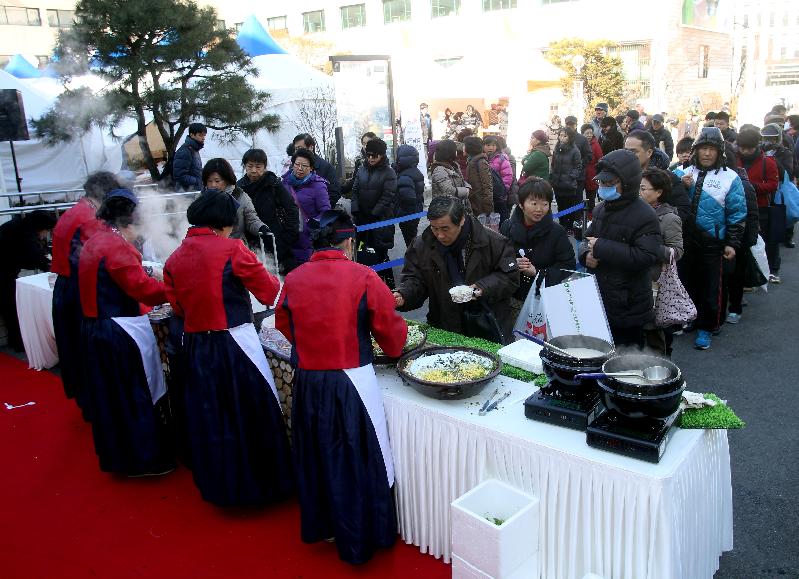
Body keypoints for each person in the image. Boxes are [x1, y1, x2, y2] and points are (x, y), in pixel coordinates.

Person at [275, 210, 407, 565]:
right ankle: (363, 534)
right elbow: (390, 330)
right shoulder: (363, 275)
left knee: (319, 452)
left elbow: (284, 322)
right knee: (359, 456)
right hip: (353, 380)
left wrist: (310, 347)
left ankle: (326, 523)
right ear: (349, 243)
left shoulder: (294, 277)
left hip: (308, 378)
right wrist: (395, 348)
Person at [163, 190, 292, 506]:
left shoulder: (174, 258)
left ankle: (222, 488)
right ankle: (262, 487)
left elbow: (176, 305)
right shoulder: (232, 249)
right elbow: (270, 292)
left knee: (212, 415)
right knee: (252, 410)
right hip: (236, 342)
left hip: (196, 344)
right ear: (223, 221)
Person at [78, 189, 174, 476]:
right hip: (116, 330)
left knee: (111, 398)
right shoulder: (117, 247)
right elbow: (142, 289)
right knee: (131, 394)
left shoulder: (97, 239)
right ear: (128, 223)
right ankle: (143, 459)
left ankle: (119, 457)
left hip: (96, 327)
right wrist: (174, 289)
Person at [394, 195, 519, 343]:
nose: (440, 235)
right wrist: (404, 294)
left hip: (487, 325)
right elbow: (415, 279)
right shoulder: (422, 245)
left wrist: (482, 287)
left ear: (461, 220)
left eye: (445, 229)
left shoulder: (493, 241)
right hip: (444, 324)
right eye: (434, 228)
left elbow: (509, 277)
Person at [577, 150, 662, 348]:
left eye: (610, 183)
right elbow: (586, 240)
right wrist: (585, 255)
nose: (604, 187)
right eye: (602, 182)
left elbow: (647, 256)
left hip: (629, 304)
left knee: (626, 357)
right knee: (598, 351)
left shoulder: (645, 215)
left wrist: (601, 247)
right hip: (600, 297)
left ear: (628, 182)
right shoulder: (600, 209)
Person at [51, 171, 119, 404]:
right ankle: (95, 401)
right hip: (77, 287)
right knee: (86, 349)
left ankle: (85, 398)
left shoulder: (75, 210)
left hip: (64, 285)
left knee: (72, 346)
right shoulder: (90, 217)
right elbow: (99, 257)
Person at [677, 127, 746, 350]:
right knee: (686, 282)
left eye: (712, 149)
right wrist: (681, 185)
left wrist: (732, 242)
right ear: (695, 150)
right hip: (686, 240)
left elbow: (737, 213)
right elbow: (665, 197)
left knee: (711, 288)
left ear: (720, 152)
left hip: (713, 242)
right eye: (703, 148)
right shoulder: (682, 172)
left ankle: (707, 327)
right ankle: (689, 318)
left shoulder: (730, 177)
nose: (707, 153)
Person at [499, 179, 575, 322]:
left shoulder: (557, 232)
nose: (539, 209)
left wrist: (538, 273)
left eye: (545, 204)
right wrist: (512, 263)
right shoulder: (507, 227)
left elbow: (568, 267)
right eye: (534, 203)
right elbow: (497, 258)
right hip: (513, 298)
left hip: (544, 300)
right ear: (521, 204)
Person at [639, 168, 683, 355]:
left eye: (643, 189)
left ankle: (662, 365)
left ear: (658, 192)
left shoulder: (669, 218)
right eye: (638, 188)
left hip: (656, 281)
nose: (639, 192)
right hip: (636, 278)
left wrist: (649, 247)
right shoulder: (635, 211)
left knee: (655, 331)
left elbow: (677, 252)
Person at [0, 210, 56, 352]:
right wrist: (49, 265)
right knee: (11, 308)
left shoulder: (19, 226)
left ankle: (17, 342)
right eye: (47, 230)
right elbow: (34, 257)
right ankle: (18, 343)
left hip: (6, 270)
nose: (46, 234)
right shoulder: (24, 234)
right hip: (4, 273)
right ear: (41, 227)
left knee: (10, 307)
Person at [237, 149, 300, 273]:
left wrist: (289, 236)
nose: (253, 170)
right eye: (250, 166)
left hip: (276, 239)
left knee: (281, 273)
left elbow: (291, 208)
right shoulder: (239, 188)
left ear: (264, 167)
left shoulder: (273, 184)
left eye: (258, 166)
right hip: (250, 240)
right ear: (245, 166)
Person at [736, 128, 780, 282]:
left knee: (762, 240)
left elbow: (773, 184)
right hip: (738, 206)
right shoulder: (733, 159)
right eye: (742, 148)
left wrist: (754, 187)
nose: (745, 152)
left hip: (760, 207)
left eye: (749, 148)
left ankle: (766, 271)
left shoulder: (768, 162)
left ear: (756, 146)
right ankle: (746, 275)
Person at [351, 137, 397, 284]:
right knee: (362, 251)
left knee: (380, 252)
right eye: (368, 155)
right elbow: (355, 190)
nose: (370, 158)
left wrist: (374, 213)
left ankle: (388, 283)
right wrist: (355, 210)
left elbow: (387, 196)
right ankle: (365, 283)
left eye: (374, 155)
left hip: (380, 221)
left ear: (382, 155)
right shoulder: (361, 169)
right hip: (361, 220)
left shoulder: (389, 172)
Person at [201, 158, 270, 246]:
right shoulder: (201, 198)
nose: (213, 185)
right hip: (208, 246)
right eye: (209, 181)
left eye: (217, 181)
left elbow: (251, 220)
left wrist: (261, 227)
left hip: (236, 245)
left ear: (227, 180)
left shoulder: (240, 196)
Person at [625, 130, 691, 222]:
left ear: (649, 152)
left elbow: (683, 210)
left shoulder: (666, 177)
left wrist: (655, 221)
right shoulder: (623, 176)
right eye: (626, 151)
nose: (628, 155)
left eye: (634, 151)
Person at [281, 148, 332, 266]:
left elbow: (326, 213)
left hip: (307, 241)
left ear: (311, 168)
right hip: (287, 238)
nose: (300, 168)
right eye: (297, 164)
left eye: (304, 166)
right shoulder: (284, 183)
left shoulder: (318, 186)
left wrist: (312, 225)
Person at [292, 133, 341, 208]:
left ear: (311, 147)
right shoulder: (293, 167)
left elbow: (334, 193)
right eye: (296, 149)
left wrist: (319, 210)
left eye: (300, 148)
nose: (297, 152)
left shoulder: (326, 167)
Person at [549, 127, 582, 231]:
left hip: (569, 184)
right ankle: (562, 226)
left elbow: (578, 166)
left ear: (570, 137)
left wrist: (571, 176)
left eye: (565, 136)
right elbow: (553, 164)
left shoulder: (574, 150)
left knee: (569, 207)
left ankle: (569, 226)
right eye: (560, 135)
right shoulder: (557, 149)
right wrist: (552, 176)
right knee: (560, 206)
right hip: (557, 183)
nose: (562, 138)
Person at [394, 144, 425, 247]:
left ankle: (414, 255)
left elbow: (408, 199)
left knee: (410, 241)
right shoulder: (415, 171)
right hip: (416, 210)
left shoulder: (405, 176)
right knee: (412, 237)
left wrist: (398, 213)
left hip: (407, 215)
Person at [431, 139, 472, 213]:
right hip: (445, 209)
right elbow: (448, 190)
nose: (456, 152)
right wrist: (466, 191)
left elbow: (460, 180)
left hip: (455, 205)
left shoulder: (453, 165)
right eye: (455, 150)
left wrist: (467, 186)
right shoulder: (439, 170)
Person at [463, 136, 495, 218]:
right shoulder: (471, 160)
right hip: (474, 202)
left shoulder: (481, 162)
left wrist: (488, 208)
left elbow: (487, 185)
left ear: (470, 147)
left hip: (480, 204)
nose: (463, 148)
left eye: (464, 145)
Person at [484, 135, 513, 222]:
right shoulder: (483, 158)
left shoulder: (501, 157)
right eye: (488, 145)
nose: (491, 147)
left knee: (500, 216)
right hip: (488, 193)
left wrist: (503, 190)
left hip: (499, 194)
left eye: (493, 145)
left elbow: (507, 175)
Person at [172, 122, 206, 192]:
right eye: (200, 135)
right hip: (186, 194)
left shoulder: (194, 149)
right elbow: (179, 176)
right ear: (192, 135)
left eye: (204, 135)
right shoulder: (185, 151)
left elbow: (194, 170)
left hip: (193, 192)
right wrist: (198, 181)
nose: (203, 138)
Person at [565, 116, 593, 197]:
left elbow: (589, 156)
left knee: (577, 200)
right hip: (564, 178)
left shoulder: (582, 139)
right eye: (568, 124)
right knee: (565, 201)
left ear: (576, 125)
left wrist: (579, 165)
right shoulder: (562, 138)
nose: (569, 127)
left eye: (572, 124)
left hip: (578, 178)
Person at [341, 131, 377, 196]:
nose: (365, 146)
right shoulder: (359, 161)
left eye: (368, 143)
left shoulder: (381, 161)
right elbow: (354, 181)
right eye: (364, 143)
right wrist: (339, 190)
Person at [581, 124, 603, 214]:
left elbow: (600, 160)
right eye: (587, 133)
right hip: (581, 174)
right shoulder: (579, 143)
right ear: (582, 134)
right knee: (578, 198)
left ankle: (590, 217)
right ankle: (580, 216)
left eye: (591, 133)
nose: (589, 135)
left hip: (591, 175)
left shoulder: (596, 145)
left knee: (591, 199)